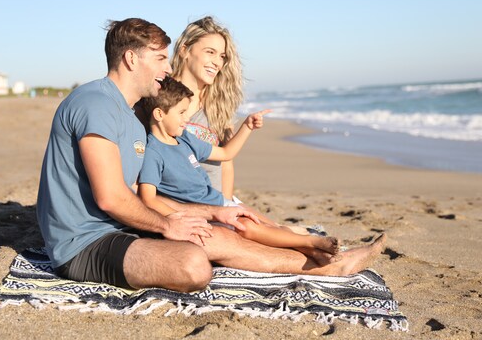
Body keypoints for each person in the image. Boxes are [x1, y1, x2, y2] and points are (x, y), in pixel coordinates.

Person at [37, 17, 387, 293]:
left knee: (211, 233)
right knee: (193, 266)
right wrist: (167, 224)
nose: (165, 68)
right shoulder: (95, 104)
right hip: (82, 243)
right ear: (131, 58)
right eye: (159, 58)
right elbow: (112, 198)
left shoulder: (130, 114)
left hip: (117, 227)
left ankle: (325, 267)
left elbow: (139, 195)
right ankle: (320, 262)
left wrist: (213, 210)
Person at [135, 77, 341, 265]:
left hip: (222, 203)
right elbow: (149, 199)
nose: (185, 119)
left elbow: (225, 153)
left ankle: (311, 251)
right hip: (207, 215)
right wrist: (181, 218)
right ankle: (312, 242)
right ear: (159, 114)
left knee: (273, 228)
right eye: (181, 113)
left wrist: (247, 127)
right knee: (249, 228)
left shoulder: (184, 138)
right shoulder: (153, 153)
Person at [170, 16, 241, 200]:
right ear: (185, 50)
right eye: (210, 52)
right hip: (175, 206)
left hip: (215, 203)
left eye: (222, 56)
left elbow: (226, 164)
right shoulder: (159, 97)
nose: (217, 62)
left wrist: (225, 208)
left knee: (256, 226)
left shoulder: (219, 105)